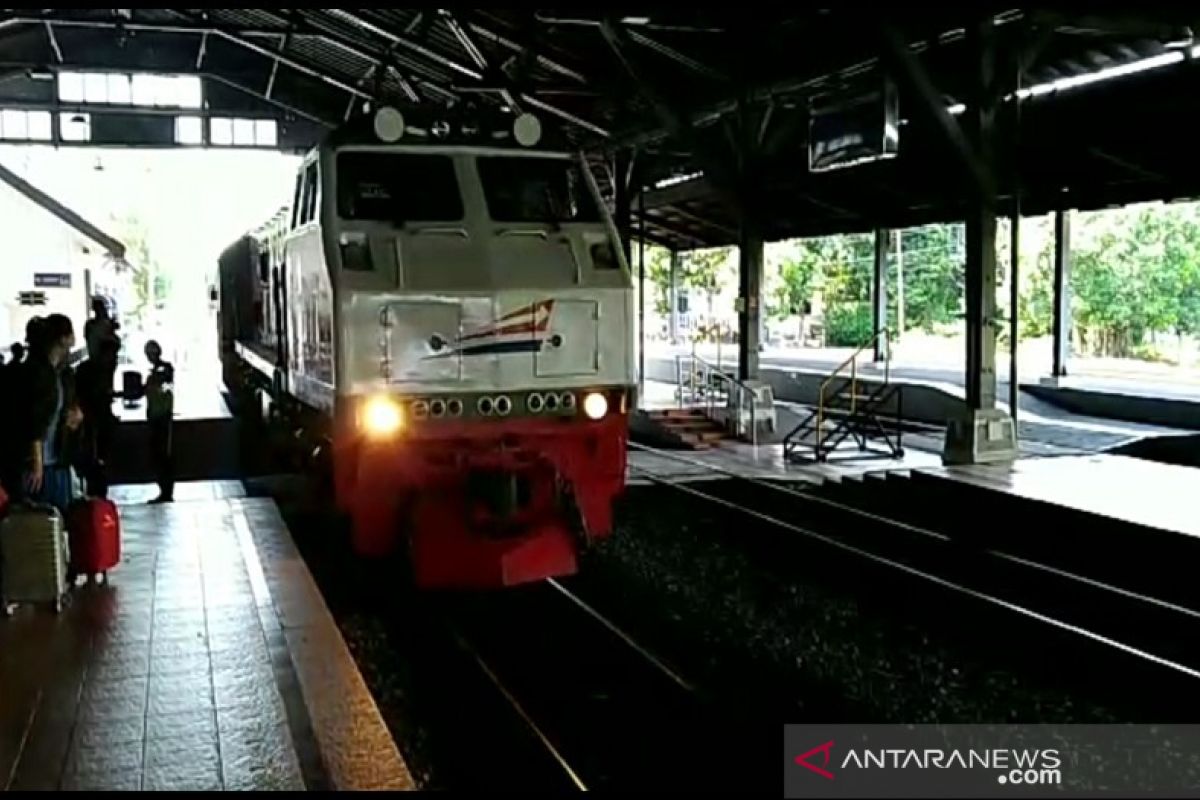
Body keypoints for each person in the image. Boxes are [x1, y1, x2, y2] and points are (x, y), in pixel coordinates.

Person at [17, 314, 83, 513]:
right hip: (40, 464)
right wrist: (37, 462)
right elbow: (33, 420)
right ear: (63, 338)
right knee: (43, 524)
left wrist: (76, 415)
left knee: (56, 521)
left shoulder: (61, 374)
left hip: (56, 459)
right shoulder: (39, 373)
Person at [75, 337, 120, 498]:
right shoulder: (93, 370)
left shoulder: (102, 369)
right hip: (93, 420)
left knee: (99, 459)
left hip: (98, 419)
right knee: (95, 459)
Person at [144, 339, 175, 504]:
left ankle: (166, 491)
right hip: (155, 416)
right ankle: (163, 489)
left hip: (162, 417)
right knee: (157, 455)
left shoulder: (164, 369)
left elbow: (164, 382)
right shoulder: (154, 373)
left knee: (163, 455)